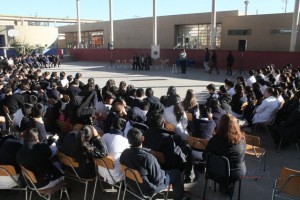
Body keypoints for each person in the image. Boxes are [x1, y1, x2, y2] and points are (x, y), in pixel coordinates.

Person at [120, 128, 188, 200]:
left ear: (128, 140)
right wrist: (163, 173)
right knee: (177, 173)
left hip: (132, 184)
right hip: (148, 189)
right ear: (142, 138)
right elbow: (158, 180)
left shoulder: (124, 153)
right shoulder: (148, 157)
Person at [203, 114, 246, 194]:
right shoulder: (242, 139)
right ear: (236, 125)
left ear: (220, 125)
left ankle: (224, 185)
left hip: (215, 172)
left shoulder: (214, 140)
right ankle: (227, 186)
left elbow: (205, 156)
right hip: (235, 174)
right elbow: (242, 154)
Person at [98, 117, 129, 184]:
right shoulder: (125, 141)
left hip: (101, 171)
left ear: (112, 125)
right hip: (116, 175)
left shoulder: (104, 136)